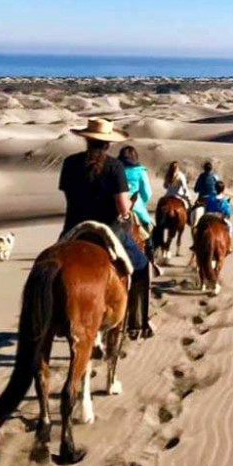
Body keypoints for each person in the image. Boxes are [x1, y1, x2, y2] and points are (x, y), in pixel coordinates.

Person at [59, 118, 153, 338]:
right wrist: (128, 209)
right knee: (141, 266)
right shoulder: (114, 166)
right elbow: (122, 207)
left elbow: (69, 195)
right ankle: (138, 322)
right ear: (107, 144)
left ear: (87, 141)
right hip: (109, 229)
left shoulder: (70, 163)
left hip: (73, 228)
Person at [204, 180, 233, 253]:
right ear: (223, 189)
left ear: (215, 188)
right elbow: (228, 212)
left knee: (199, 227)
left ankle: (195, 244)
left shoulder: (210, 197)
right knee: (230, 227)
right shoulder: (224, 200)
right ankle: (229, 246)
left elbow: (206, 207)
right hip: (220, 217)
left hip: (209, 216)